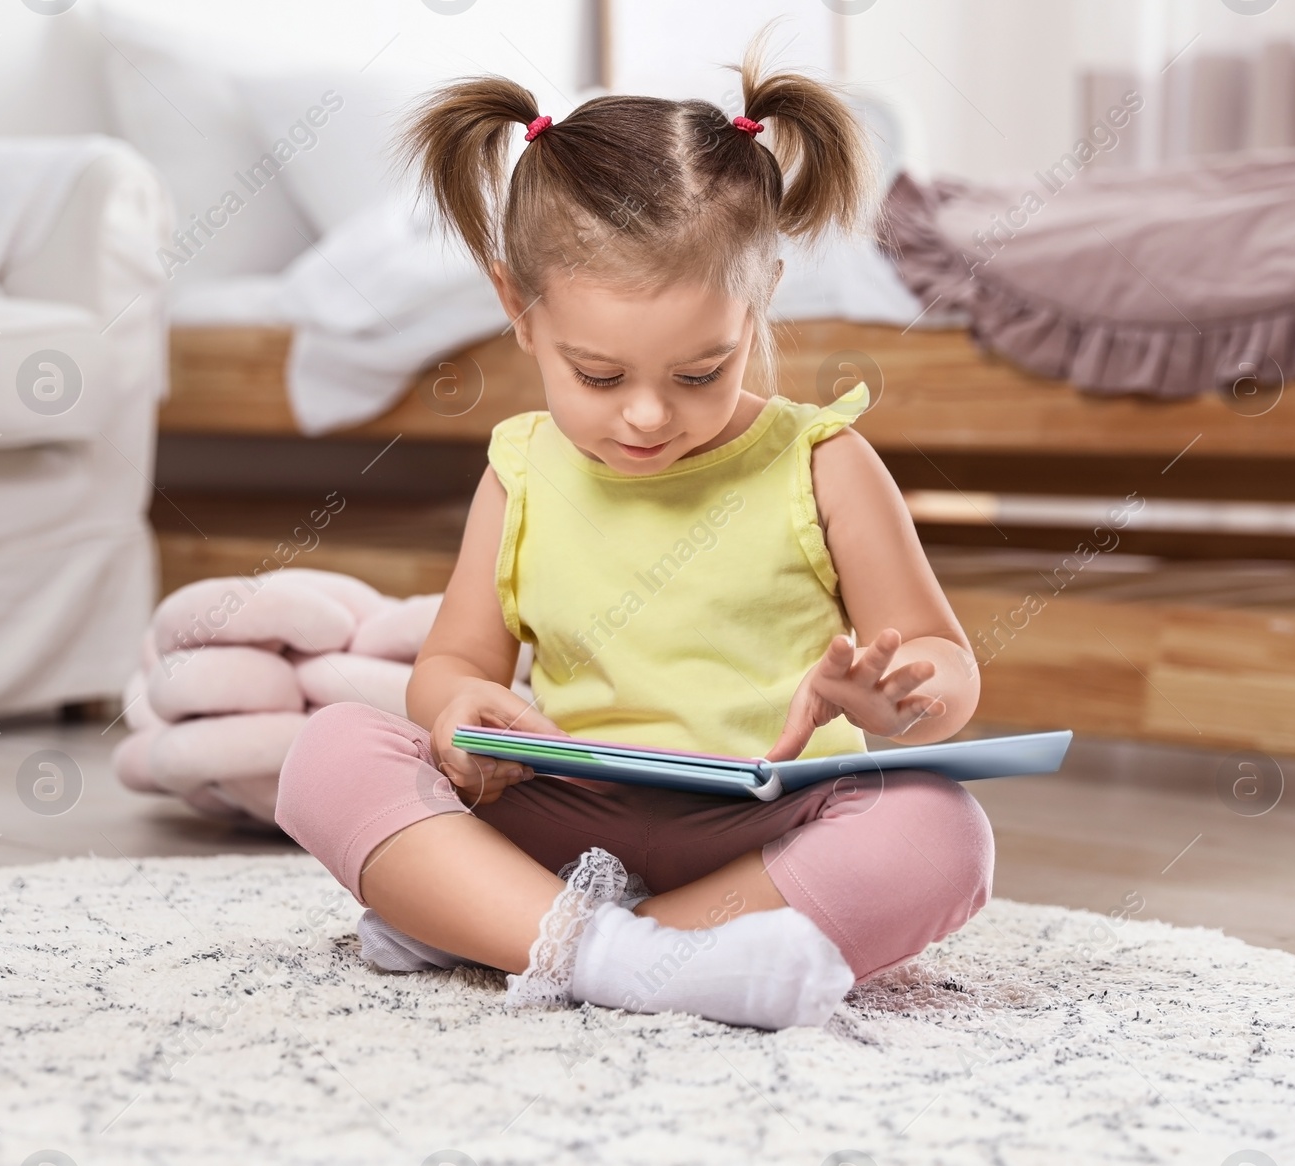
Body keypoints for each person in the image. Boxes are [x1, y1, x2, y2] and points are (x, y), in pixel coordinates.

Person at [275, 27, 993, 1031]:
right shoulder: (521, 468)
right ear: (515, 310)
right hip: (561, 813)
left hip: (765, 824)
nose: (649, 415)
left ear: (761, 301)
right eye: (599, 376)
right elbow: (447, 666)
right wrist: (464, 716)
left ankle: (521, 930)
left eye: (701, 372)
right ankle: (641, 956)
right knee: (331, 749)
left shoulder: (823, 460)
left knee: (939, 832)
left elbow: (943, 665)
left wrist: (899, 693)